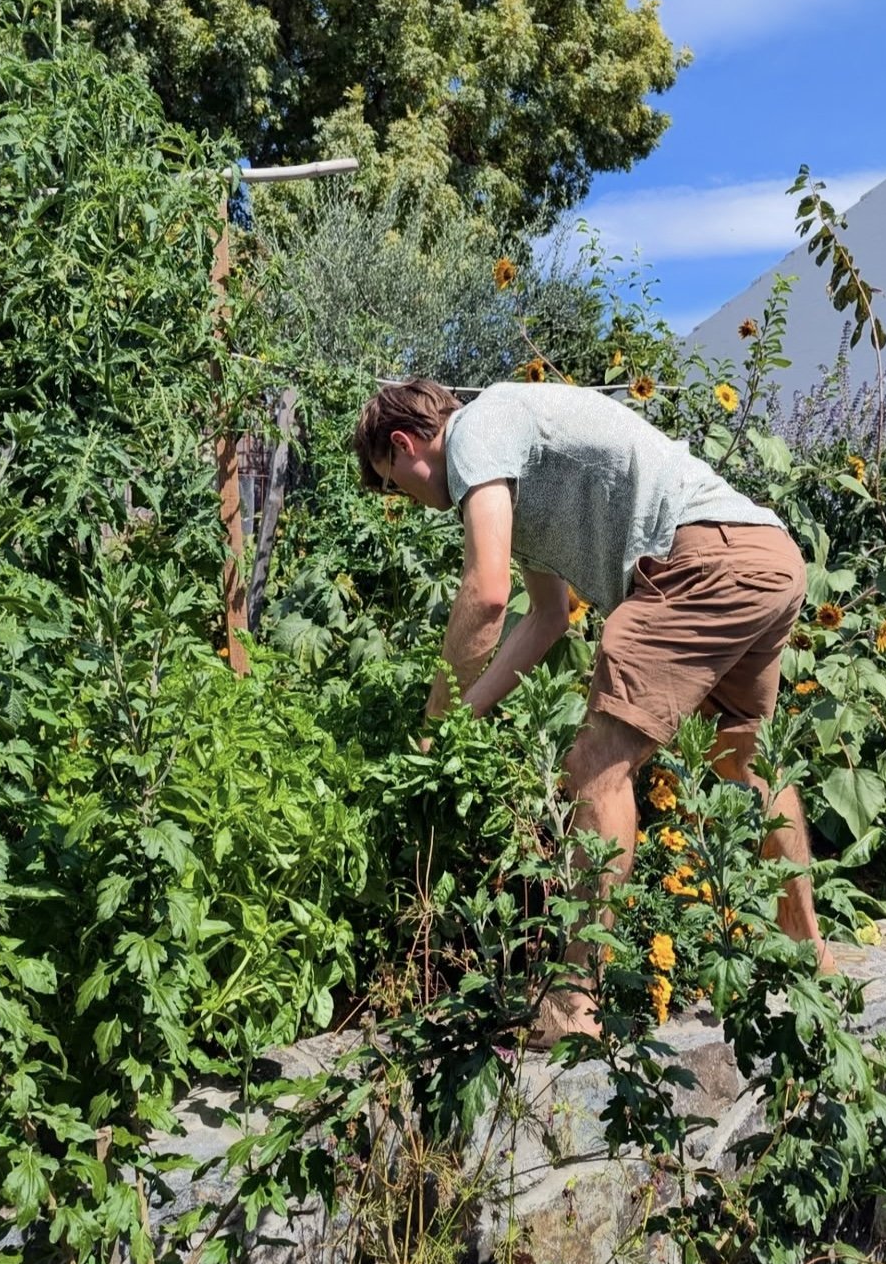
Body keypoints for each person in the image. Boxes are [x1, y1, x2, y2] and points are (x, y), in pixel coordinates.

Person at [354, 377, 833, 1042]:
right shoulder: (512, 456)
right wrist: (466, 717)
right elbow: (543, 618)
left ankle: (576, 1001)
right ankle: (814, 957)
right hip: (765, 555)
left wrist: (434, 715)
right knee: (741, 762)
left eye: (390, 481)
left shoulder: (476, 431)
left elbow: (487, 595)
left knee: (595, 766)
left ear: (404, 445)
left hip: (697, 561)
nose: (401, 498)